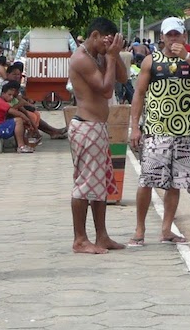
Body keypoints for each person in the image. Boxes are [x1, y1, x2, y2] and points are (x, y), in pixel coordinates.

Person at [129, 17, 190, 247]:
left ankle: (166, 229)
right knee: (147, 181)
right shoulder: (151, 61)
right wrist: (135, 126)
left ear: (184, 36)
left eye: (177, 34)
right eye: (169, 35)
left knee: (176, 183)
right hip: (156, 130)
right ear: (162, 37)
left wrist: (187, 55)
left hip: (181, 131)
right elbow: (138, 94)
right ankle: (139, 229)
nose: (173, 39)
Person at [67, 17, 127, 254]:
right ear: (94, 35)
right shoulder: (81, 59)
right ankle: (80, 239)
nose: (107, 47)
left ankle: (102, 235)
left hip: (97, 127)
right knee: (84, 185)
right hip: (85, 127)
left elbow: (122, 78)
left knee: (99, 185)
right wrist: (110, 58)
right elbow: (106, 88)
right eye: (105, 42)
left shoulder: (100, 55)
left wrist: (115, 54)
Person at [0, 80, 35, 153]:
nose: (11, 97)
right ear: (3, 93)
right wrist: (28, 121)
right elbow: (18, 113)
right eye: (9, 95)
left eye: (12, 96)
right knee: (18, 120)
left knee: (20, 121)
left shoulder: (1, 101)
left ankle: (22, 144)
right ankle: (21, 146)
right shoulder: (0, 102)